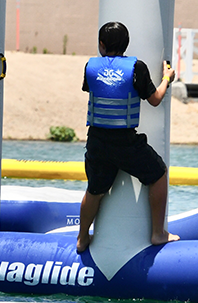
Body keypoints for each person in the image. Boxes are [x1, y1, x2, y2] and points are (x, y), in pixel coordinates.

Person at [77, 21, 180, 253]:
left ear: (101, 45)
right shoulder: (136, 67)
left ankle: (82, 238)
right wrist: (167, 78)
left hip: (96, 139)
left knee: (95, 189)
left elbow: (92, 89)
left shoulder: (90, 67)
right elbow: (154, 100)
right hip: (124, 141)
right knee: (159, 172)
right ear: (126, 45)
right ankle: (158, 233)